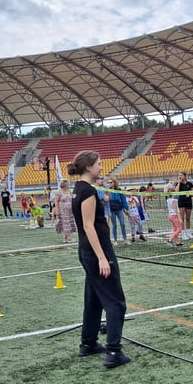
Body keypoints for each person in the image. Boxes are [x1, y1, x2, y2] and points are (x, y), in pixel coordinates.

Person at [67, 150, 130, 368]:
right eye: (99, 163)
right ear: (88, 167)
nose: (101, 167)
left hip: (87, 252)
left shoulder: (79, 190)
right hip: (96, 253)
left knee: (93, 300)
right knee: (116, 302)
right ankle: (114, 352)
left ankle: (88, 343)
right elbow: (87, 226)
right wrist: (102, 258)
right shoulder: (88, 192)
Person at [53, 179, 77, 243]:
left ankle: (68, 237)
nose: (69, 185)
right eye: (68, 184)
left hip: (70, 210)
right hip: (63, 210)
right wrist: (57, 210)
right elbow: (56, 201)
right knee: (65, 223)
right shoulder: (59, 192)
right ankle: (67, 237)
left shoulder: (69, 191)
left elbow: (73, 198)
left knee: (69, 223)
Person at [107, 177, 127, 245]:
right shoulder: (108, 190)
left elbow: (123, 199)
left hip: (119, 210)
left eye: (111, 182)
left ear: (114, 183)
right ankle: (115, 240)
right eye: (109, 182)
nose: (110, 184)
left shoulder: (119, 190)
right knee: (114, 225)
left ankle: (125, 239)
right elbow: (107, 202)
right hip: (112, 211)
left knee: (122, 224)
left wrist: (125, 208)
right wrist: (108, 212)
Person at [177, 172, 193, 239]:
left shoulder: (190, 184)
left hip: (188, 202)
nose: (180, 176)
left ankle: (188, 233)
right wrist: (179, 183)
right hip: (181, 202)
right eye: (179, 175)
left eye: (181, 175)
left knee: (188, 218)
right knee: (182, 219)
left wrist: (190, 194)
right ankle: (183, 234)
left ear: (185, 176)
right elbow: (176, 191)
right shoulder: (179, 184)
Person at [165, 182, 183, 246]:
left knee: (175, 229)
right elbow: (176, 210)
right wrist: (180, 218)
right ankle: (169, 240)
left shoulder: (168, 199)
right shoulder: (174, 200)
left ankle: (177, 242)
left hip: (170, 216)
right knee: (179, 229)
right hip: (174, 215)